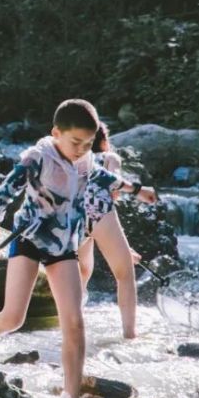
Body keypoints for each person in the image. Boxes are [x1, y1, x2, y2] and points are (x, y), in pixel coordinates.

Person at [0, 99, 156, 398]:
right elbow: (0, 196)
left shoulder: (86, 161)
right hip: (29, 241)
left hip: (63, 247)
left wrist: (137, 190)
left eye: (88, 144)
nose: (81, 149)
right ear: (56, 133)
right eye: (76, 142)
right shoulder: (37, 158)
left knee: (74, 324)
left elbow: (105, 176)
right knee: (12, 319)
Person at [78, 122, 144, 338]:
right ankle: (130, 333)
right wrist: (124, 250)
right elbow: (112, 192)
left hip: (75, 219)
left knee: (82, 273)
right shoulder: (110, 159)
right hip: (100, 215)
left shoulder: (77, 159)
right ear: (104, 141)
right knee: (124, 274)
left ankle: (71, 326)